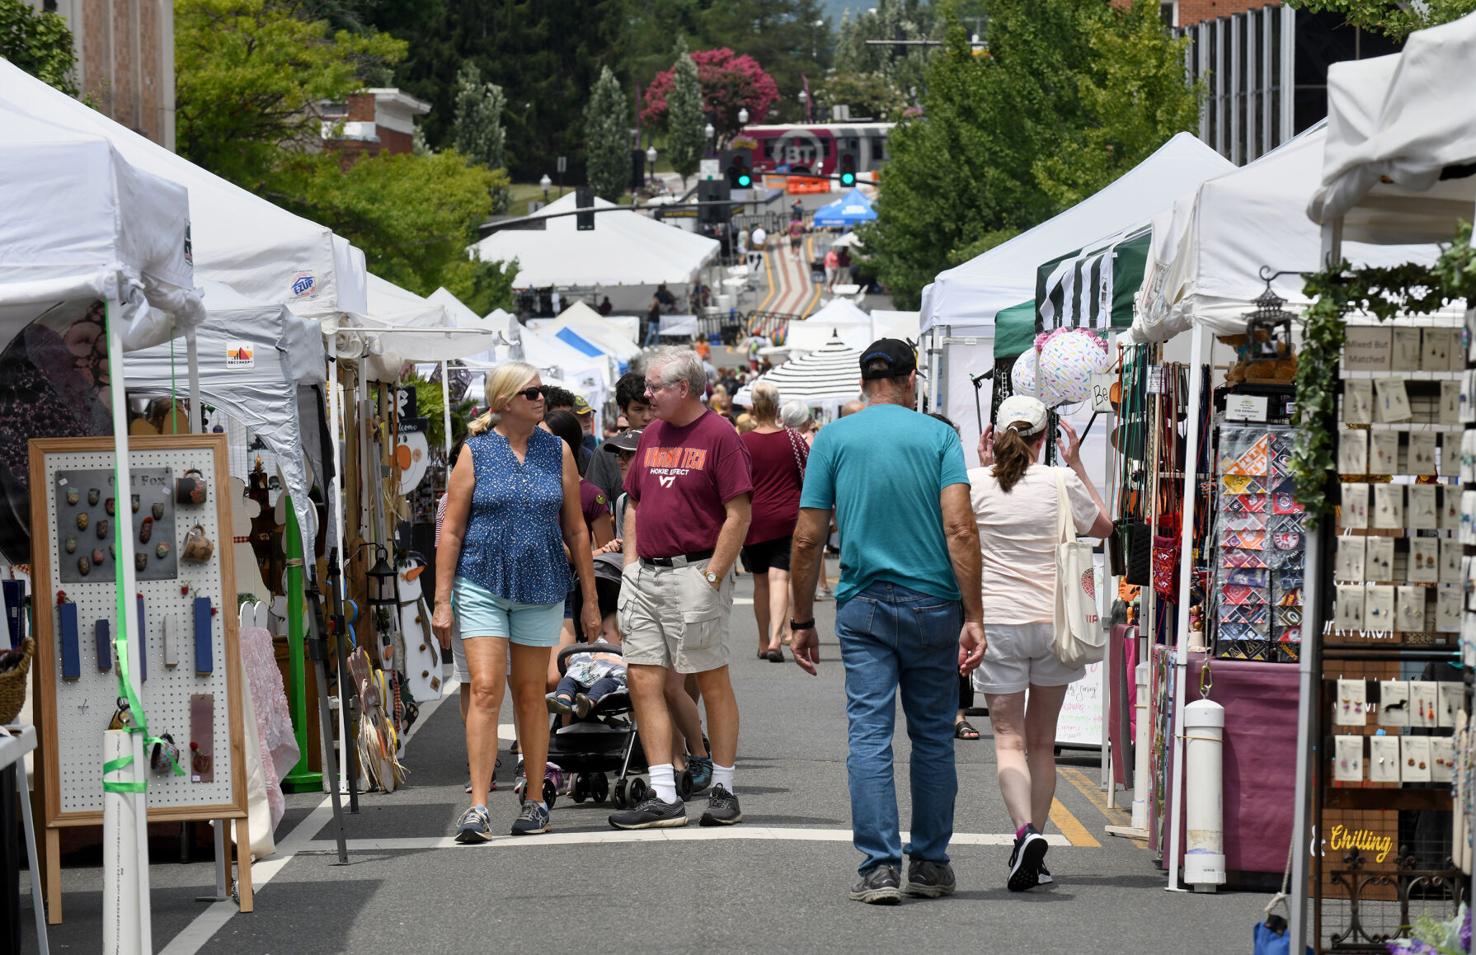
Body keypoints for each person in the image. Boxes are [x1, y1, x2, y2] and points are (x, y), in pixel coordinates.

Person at [789, 338, 985, 905]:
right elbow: (961, 529)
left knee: (869, 736)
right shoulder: (939, 436)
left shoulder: (834, 438)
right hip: (933, 605)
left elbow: (807, 537)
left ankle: (879, 868)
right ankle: (929, 863)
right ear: (911, 378)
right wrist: (974, 613)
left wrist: (801, 618)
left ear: (863, 381)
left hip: (865, 602)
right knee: (931, 738)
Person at [432, 361, 602, 842]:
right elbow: (452, 528)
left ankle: (533, 800)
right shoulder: (475, 451)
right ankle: (479, 806)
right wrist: (442, 600)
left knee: (531, 694)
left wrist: (589, 600)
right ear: (505, 401)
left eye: (540, 391)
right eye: (530, 393)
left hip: (542, 583)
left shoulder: (559, 451)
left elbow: (576, 529)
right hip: (481, 581)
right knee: (485, 688)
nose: (540, 398)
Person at [969, 395, 1113, 892]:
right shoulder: (1059, 480)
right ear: (1043, 438)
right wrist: (1075, 465)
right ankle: (1035, 844)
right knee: (1041, 744)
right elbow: (1104, 527)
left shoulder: (976, 483)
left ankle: (1023, 833)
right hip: (1055, 623)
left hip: (998, 624)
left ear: (997, 434)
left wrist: (985, 466)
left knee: (1007, 741)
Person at [607, 347, 752, 830]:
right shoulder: (651, 434)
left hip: (695, 572)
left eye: (654, 387)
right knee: (644, 680)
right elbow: (635, 502)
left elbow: (739, 513)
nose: (646, 396)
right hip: (646, 574)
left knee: (710, 678)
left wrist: (713, 574)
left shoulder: (719, 435)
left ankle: (724, 788)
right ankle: (664, 793)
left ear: (683, 388)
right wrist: (629, 565)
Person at [741, 382, 807, 663]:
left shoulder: (743, 442)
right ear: (778, 407)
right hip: (787, 517)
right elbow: (810, 473)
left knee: (760, 582)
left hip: (754, 518)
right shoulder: (793, 439)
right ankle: (776, 639)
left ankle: (761, 638)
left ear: (754, 409)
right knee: (779, 577)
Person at [586, 372, 654, 502]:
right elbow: (595, 506)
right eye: (638, 409)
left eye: (651, 408)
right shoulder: (606, 452)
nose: (647, 417)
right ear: (623, 410)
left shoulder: (671, 446)